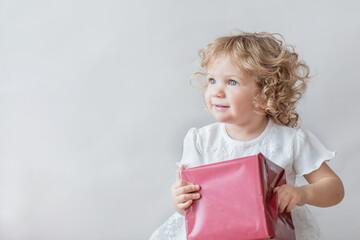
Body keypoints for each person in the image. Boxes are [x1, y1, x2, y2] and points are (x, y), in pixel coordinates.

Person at [150, 30, 344, 240]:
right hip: (217, 233)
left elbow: (334, 187)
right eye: (212, 80)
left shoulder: (291, 141)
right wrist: (180, 200)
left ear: (267, 94)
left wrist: (303, 194)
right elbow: (192, 201)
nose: (216, 91)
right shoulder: (201, 140)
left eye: (231, 82)